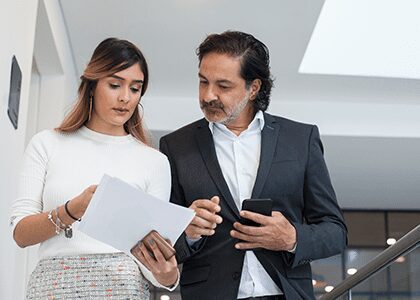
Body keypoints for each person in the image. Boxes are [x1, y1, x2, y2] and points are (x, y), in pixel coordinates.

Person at [159, 31, 347, 300]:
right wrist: (187, 232)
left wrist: (292, 238)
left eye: (223, 86)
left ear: (253, 87)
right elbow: (164, 242)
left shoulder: (300, 140)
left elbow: (335, 231)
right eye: (203, 82)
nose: (208, 95)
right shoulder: (175, 146)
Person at [10, 38, 179, 299]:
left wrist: (167, 274)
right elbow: (20, 234)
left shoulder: (154, 161)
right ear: (91, 85)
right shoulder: (47, 144)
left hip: (125, 288)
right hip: (52, 287)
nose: (125, 97)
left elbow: (150, 259)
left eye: (135, 89)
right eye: (114, 85)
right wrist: (72, 210)